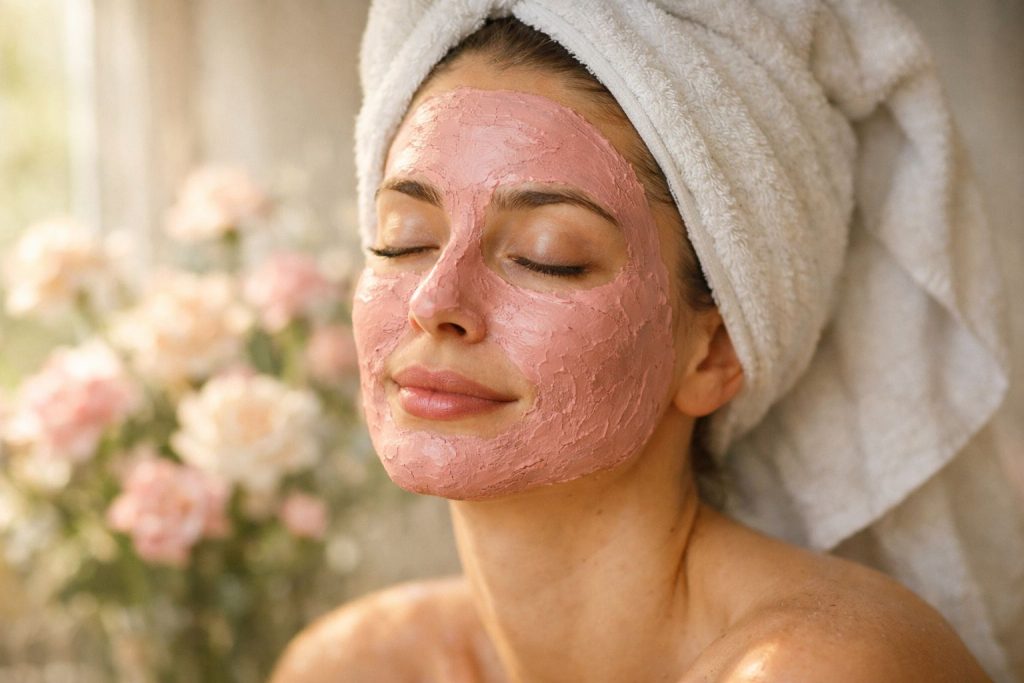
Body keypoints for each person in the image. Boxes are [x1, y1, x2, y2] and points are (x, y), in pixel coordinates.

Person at [273, 2, 1020, 681]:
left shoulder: (822, 668)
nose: (435, 302)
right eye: (403, 241)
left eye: (546, 253)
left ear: (713, 353)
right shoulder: (359, 664)